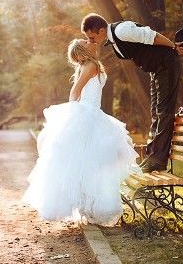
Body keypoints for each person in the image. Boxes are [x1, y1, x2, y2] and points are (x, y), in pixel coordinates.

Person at [22, 39, 141, 226]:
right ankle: (90, 206)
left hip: (93, 113)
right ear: (82, 50)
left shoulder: (91, 65)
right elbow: (75, 91)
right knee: (87, 161)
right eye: (85, 41)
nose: (89, 40)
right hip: (87, 113)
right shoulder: (91, 65)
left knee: (89, 162)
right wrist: (73, 113)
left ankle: (89, 206)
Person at [81, 13, 183, 173]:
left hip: (167, 64)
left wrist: (173, 47)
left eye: (91, 37)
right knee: (156, 112)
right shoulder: (112, 39)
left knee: (164, 112)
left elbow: (152, 36)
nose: (91, 41)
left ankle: (158, 160)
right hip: (156, 70)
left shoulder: (122, 30)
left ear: (101, 30)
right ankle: (152, 156)